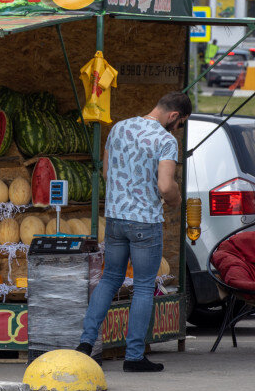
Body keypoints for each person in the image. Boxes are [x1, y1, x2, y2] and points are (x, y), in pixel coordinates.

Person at [76, 91, 190, 372]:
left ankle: (85, 344)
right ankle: (134, 356)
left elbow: (106, 173)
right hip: (145, 223)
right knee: (142, 287)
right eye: (181, 123)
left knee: (108, 280)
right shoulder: (165, 141)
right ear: (174, 116)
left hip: (115, 218)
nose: (178, 129)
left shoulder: (119, 128)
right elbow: (165, 186)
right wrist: (176, 199)